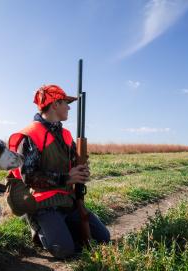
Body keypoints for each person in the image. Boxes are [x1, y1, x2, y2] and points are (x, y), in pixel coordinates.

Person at [6, 84, 111, 259]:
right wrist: (67, 178)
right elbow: (29, 177)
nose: (69, 107)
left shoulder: (67, 135)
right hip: (42, 205)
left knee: (103, 239)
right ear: (55, 104)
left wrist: (81, 169)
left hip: (66, 200)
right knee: (64, 251)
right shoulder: (31, 135)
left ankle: (61, 228)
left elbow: (71, 166)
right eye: (65, 103)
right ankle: (37, 225)